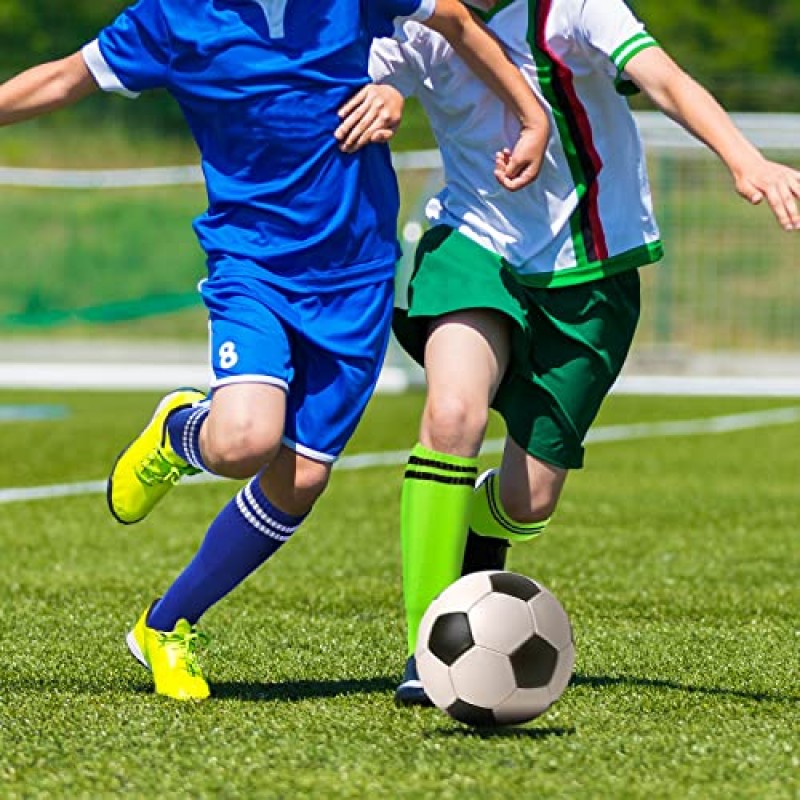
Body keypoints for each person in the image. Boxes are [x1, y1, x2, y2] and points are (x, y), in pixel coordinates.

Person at [0, 0, 550, 701]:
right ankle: (181, 431)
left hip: (357, 276)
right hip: (252, 265)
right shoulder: (171, 18)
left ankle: (165, 627)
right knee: (242, 441)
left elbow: (457, 20)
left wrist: (529, 117)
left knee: (303, 481)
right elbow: (64, 79)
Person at [334, 0, 800, 705]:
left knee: (528, 501)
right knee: (452, 415)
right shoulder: (419, 17)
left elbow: (666, 79)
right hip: (473, 244)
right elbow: (381, 71)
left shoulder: (578, 8)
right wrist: (387, 96)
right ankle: (426, 650)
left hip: (594, 273)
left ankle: (483, 544)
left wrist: (745, 159)